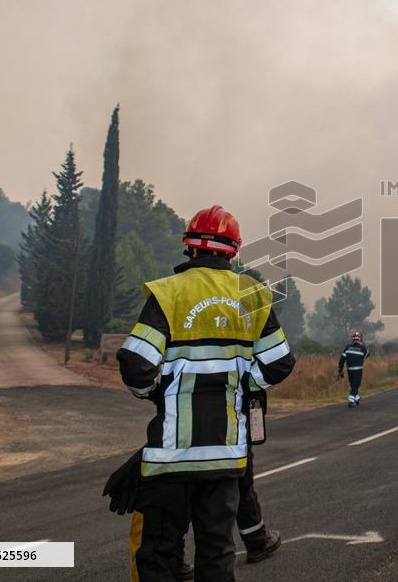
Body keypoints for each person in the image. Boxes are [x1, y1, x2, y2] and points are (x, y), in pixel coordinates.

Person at [117, 205, 295, 581]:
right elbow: (279, 362)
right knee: (216, 556)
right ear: (233, 251)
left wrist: (157, 392)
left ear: (190, 248)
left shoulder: (169, 294)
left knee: (161, 555)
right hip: (225, 455)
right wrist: (242, 385)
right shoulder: (253, 296)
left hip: (170, 457)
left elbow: (136, 367)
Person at [337, 331, 370, 407]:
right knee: (356, 385)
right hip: (358, 370)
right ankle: (351, 400)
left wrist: (340, 370)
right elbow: (367, 355)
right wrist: (363, 346)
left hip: (349, 370)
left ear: (353, 339)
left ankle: (356, 398)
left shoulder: (347, 347)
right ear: (360, 339)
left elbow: (342, 359)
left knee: (353, 385)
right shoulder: (362, 348)